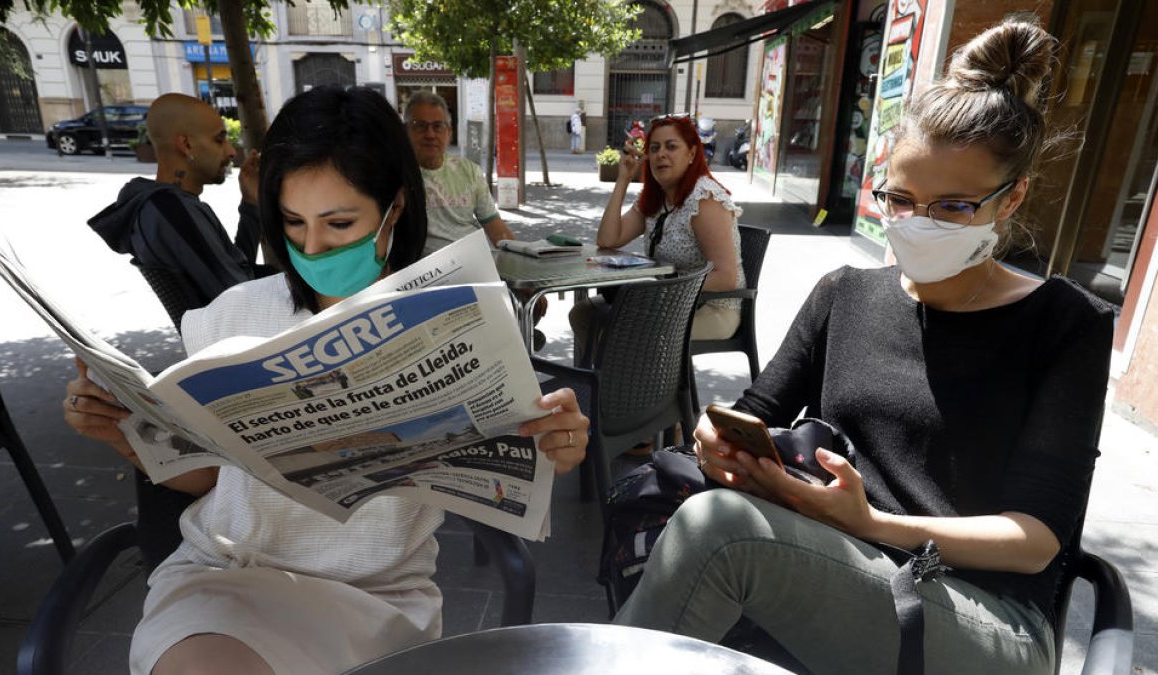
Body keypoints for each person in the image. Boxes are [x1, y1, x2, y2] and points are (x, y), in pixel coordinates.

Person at [612, 21, 1113, 675]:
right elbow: (758, 409)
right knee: (705, 522)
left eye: (952, 207)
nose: (916, 223)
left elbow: (1034, 541)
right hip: (838, 556)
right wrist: (720, 438)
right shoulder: (845, 291)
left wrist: (871, 521)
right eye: (900, 200)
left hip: (987, 614)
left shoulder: (1066, 322)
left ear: (1012, 197)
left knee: (718, 534)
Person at [63, 86, 589, 675]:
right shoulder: (232, 315)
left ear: (394, 208)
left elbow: (507, 470)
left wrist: (552, 444)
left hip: (379, 592)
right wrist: (120, 434)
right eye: (292, 222)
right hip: (229, 578)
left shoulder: (457, 321)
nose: (311, 247)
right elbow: (208, 477)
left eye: (339, 223)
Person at [570, 114, 744, 363]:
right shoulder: (657, 198)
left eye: (671, 146)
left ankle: (638, 394)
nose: (661, 154)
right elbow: (609, 239)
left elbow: (727, 277)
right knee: (584, 314)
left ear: (692, 153)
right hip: (666, 301)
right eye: (654, 148)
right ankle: (612, 388)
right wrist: (624, 179)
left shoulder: (704, 199)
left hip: (712, 308)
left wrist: (661, 288)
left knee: (627, 329)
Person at [88, 93, 262, 305]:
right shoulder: (171, 211)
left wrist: (250, 202)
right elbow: (240, 297)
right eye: (219, 139)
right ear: (186, 145)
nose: (231, 151)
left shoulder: (164, 206)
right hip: (246, 330)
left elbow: (235, 270)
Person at [403, 91, 515, 255]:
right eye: (420, 126)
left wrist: (522, 258)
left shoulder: (470, 172)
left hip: (474, 262)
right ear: (405, 131)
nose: (430, 134)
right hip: (424, 274)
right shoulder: (395, 176)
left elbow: (496, 229)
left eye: (438, 126)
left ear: (449, 132)